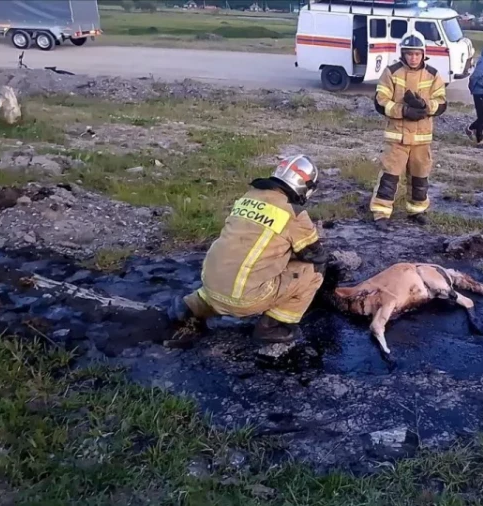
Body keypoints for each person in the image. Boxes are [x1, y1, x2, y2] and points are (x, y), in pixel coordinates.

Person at [168, 155, 331, 344]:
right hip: (245, 298)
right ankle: (274, 327)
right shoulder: (293, 212)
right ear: (305, 186)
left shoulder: (249, 197)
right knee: (313, 271)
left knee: (236, 262)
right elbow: (315, 255)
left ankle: (191, 306)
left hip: (209, 285)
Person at [371, 30, 448, 229]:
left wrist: (425, 106)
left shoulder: (432, 74)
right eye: (409, 53)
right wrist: (403, 110)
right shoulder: (391, 72)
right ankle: (381, 213)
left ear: (423, 54)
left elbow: (441, 103)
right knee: (390, 176)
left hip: (422, 139)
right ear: (403, 53)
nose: (413, 58)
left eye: (417, 54)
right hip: (397, 137)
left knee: (420, 176)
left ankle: (417, 211)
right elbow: (380, 102)